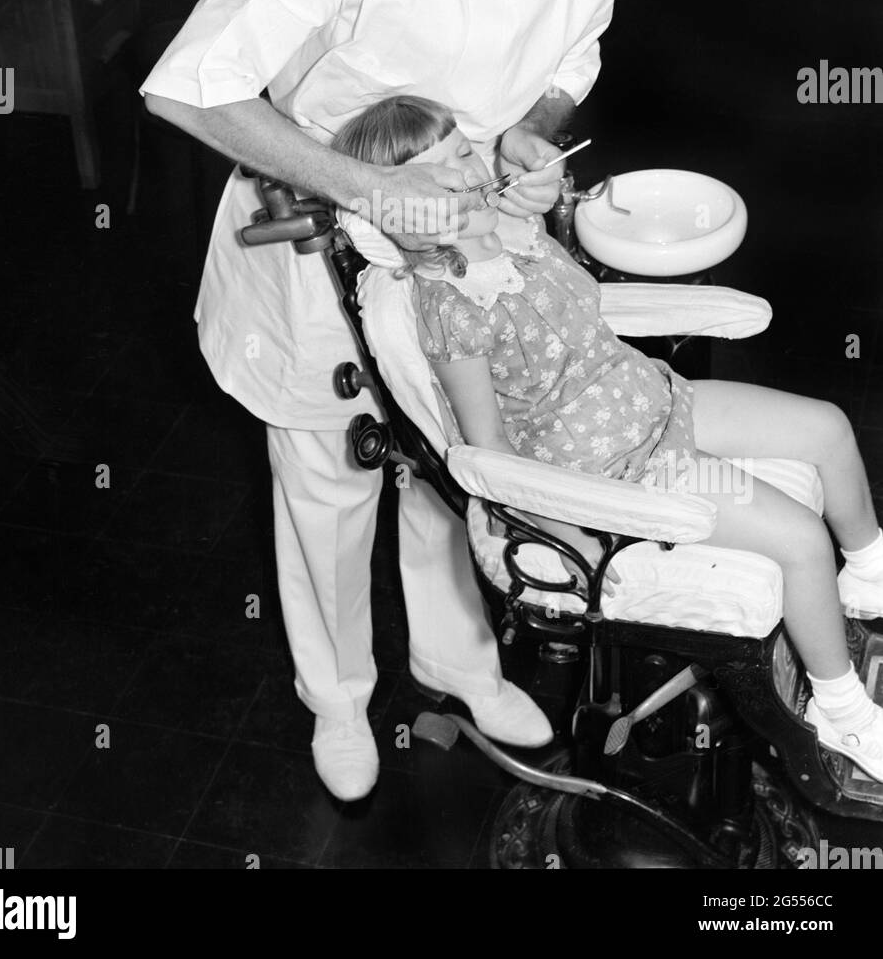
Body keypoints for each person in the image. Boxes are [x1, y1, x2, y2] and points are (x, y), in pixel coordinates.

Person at [141, 0, 678, 800]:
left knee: (447, 462)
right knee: (331, 479)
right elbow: (192, 87)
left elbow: (567, 61)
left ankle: (456, 660)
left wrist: (529, 129)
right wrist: (370, 191)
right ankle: (339, 695)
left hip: (460, 240)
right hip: (314, 228)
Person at [333, 93, 883, 783]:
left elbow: (578, 311)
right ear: (400, 216)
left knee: (828, 428)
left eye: (464, 155)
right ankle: (844, 713)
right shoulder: (453, 309)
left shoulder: (509, 233)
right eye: (436, 179)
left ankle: (868, 578)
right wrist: (567, 521)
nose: (468, 177)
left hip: (647, 395)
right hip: (619, 461)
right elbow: (488, 453)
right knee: (802, 540)